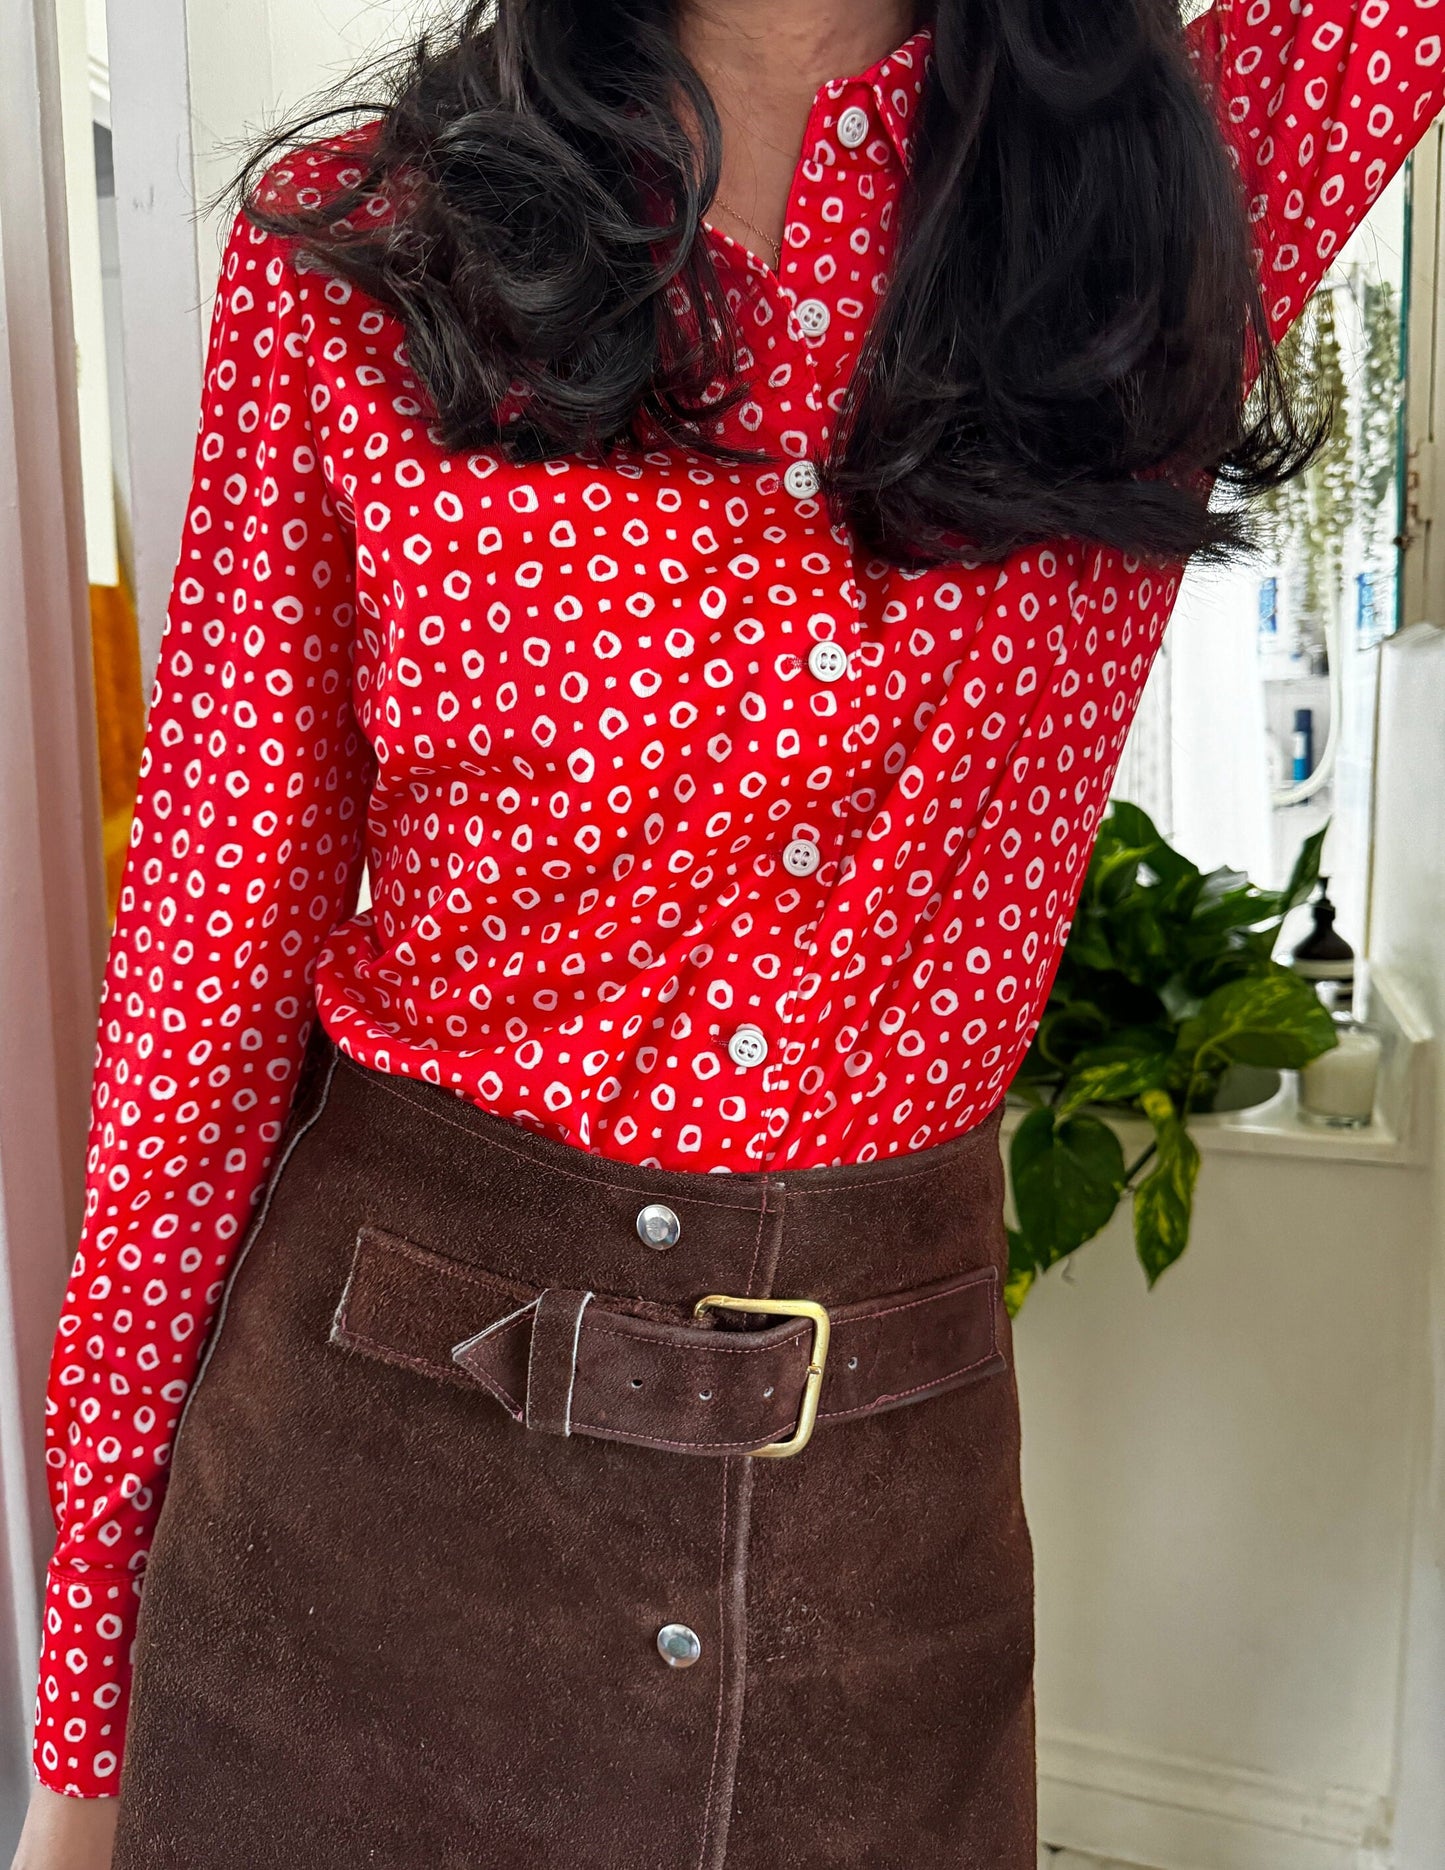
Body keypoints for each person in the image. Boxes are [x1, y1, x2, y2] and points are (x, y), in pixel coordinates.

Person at [14, 0, 1444, 1864]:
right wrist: (85, 1728)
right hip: (357, 1534)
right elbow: (198, 994)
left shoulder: (1171, 184)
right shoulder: (372, 251)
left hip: (877, 1575)